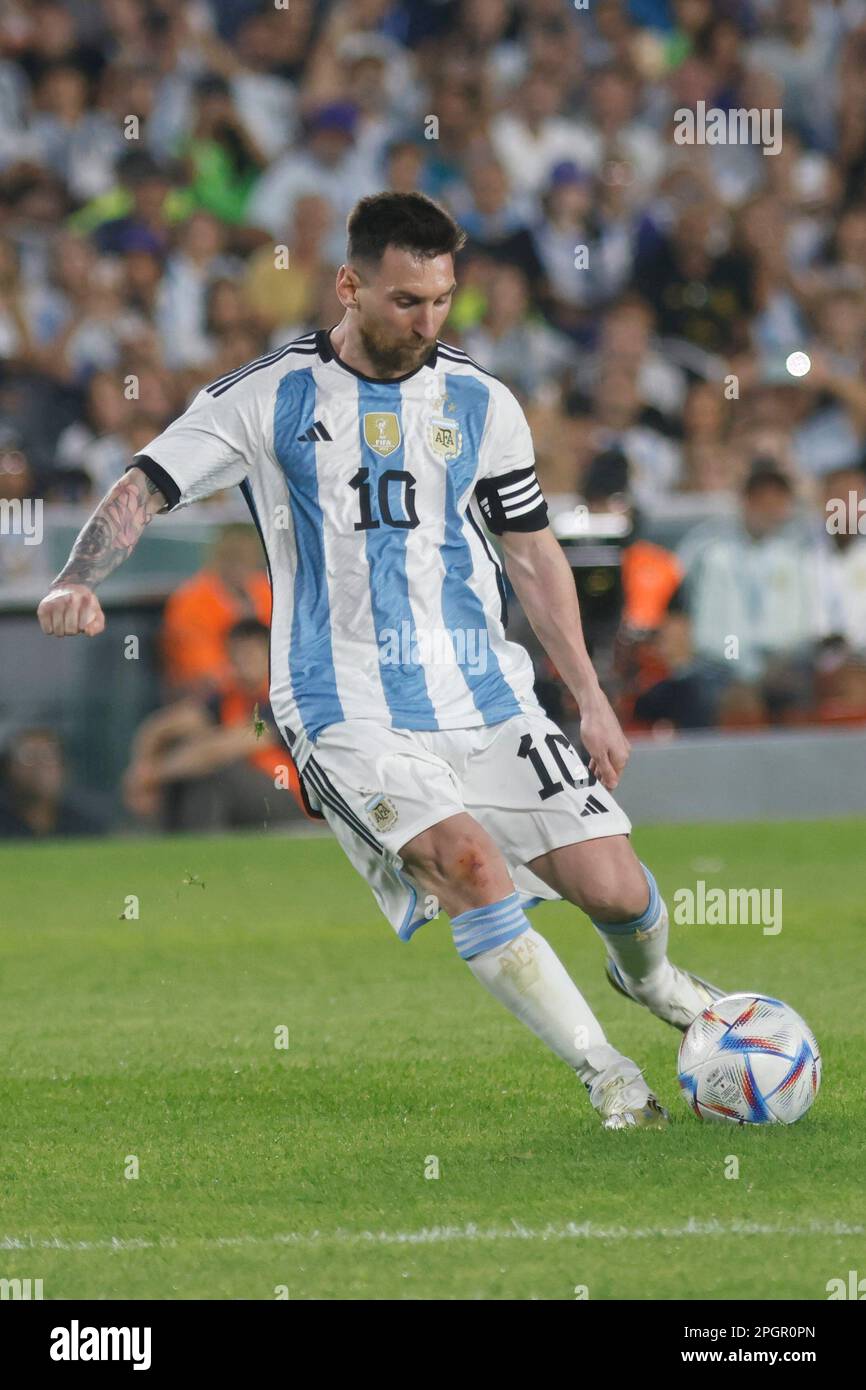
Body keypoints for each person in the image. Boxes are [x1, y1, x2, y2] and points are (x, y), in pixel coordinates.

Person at [37, 191, 726, 1132]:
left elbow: (531, 551)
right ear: (349, 285)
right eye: (407, 302)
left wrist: (592, 699)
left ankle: (659, 988)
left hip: (483, 691)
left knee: (619, 888)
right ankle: (608, 1074)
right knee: (468, 865)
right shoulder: (265, 395)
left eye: (442, 301)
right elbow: (143, 484)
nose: (427, 322)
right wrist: (78, 575)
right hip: (341, 700)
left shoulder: (483, 401)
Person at [123, 619, 309, 830]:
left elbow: (221, 749)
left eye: (252, 654)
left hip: (287, 795)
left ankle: (199, 844)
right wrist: (141, 768)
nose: (244, 662)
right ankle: (165, 842)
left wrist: (155, 774)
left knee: (214, 768)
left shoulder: (283, 698)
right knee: (189, 761)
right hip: (245, 794)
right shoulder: (227, 697)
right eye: (238, 654)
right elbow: (160, 727)